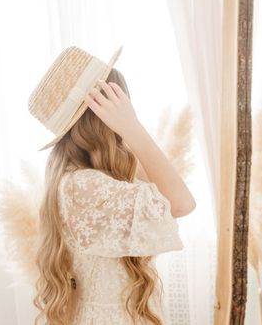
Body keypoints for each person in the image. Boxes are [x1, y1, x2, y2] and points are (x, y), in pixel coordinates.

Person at [28, 46, 196, 325]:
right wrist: (132, 127)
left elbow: (165, 190)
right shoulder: (84, 186)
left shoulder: (82, 175)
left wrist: (126, 134)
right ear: (101, 115)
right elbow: (182, 203)